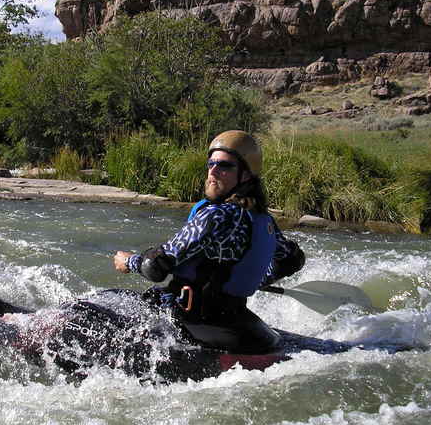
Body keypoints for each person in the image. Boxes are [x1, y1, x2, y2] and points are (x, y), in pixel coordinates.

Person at [112, 130, 304, 353]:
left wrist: (129, 262)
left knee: (105, 300)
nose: (213, 171)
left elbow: (156, 266)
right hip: (239, 324)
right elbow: (292, 260)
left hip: (191, 318)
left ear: (245, 175)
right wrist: (255, 280)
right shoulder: (264, 221)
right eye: (211, 164)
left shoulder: (216, 216)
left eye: (224, 166)